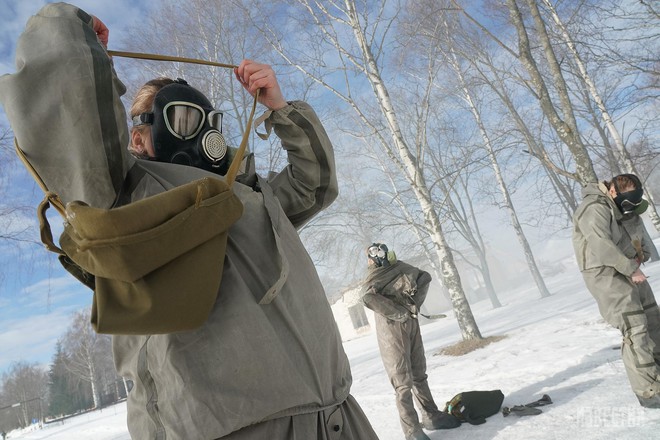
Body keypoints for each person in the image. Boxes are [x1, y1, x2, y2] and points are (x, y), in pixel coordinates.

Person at [0, 3, 379, 439]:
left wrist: (278, 108)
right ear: (139, 136)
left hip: (334, 417)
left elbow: (315, 185)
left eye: (207, 120)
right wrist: (75, 42)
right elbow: (75, 123)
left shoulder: (250, 194)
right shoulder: (125, 196)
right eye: (182, 119)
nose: (201, 135)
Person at [573, 174, 660, 408]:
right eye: (627, 198)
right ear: (612, 191)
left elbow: (634, 228)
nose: (630, 204)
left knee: (653, 318)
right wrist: (630, 268)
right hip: (605, 273)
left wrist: (642, 254)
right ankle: (649, 390)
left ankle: (658, 373)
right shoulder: (593, 208)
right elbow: (602, 245)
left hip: (628, 267)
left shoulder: (620, 207)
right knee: (635, 326)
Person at [360, 243, 460, 440]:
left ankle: (431, 416)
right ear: (369, 258)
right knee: (402, 382)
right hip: (391, 330)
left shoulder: (400, 267)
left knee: (419, 373)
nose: (378, 255)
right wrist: (397, 312)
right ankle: (412, 431)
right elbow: (367, 297)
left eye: (380, 250)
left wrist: (414, 304)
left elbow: (424, 277)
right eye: (374, 253)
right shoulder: (374, 275)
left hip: (411, 323)